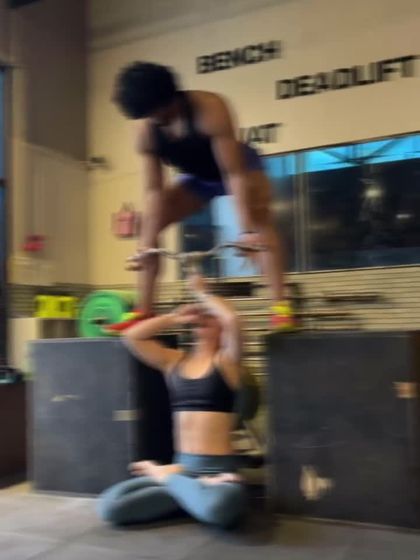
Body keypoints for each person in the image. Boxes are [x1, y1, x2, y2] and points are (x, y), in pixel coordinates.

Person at [106, 61, 294, 334]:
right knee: (148, 228)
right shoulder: (146, 130)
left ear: (170, 98)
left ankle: (281, 308)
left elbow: (234, 174)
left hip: (241, 169)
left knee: (259, 223)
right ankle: (143, 311)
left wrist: (246, 231)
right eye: (147, 114)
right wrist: (145, 244)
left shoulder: (210, 108)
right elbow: (154, 191)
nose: (153, 119)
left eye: (155, 111)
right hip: (197, 180)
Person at [97, 274, 247, 529]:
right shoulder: (173, 361)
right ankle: (190, 492)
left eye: (210, 314)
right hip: (181, 469)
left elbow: (232, 319)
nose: (203, 316)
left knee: (220, 508)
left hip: (217, 472)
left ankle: (174, 484)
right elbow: (131, 337)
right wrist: (175, 317)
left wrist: (202, 294)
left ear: (220, 323)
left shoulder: (227, 362)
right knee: (110, 506)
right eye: (200, 314)